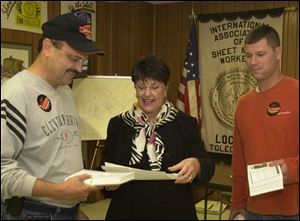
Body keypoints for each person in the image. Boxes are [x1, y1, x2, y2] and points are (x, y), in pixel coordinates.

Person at [1, 13, 105, 220]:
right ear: (48, 47)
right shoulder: (16, 93)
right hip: (31, 212)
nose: (78, 68)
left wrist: (73, 208)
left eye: (83, 61)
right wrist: (58, 192)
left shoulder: (64, 89)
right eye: (74, 58)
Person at [97, 55, 215, 220]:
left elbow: (207, 163)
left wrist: (197, 164)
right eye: (140, 86)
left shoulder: (185, 124)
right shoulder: (118, 124)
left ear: (166, 88)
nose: (146, 94)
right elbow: (103, 168)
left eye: (154, 87)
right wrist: (108, 184)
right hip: (127, 212)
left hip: (174, 212)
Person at [229, 24, 299, 220]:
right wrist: (237, 204)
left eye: (260, 54)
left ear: (278, 53)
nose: (253, 62)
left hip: (292, 210)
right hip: (252, 211)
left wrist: (290, 169)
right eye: (248, 55)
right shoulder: (243, 104)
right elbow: (239, 161)